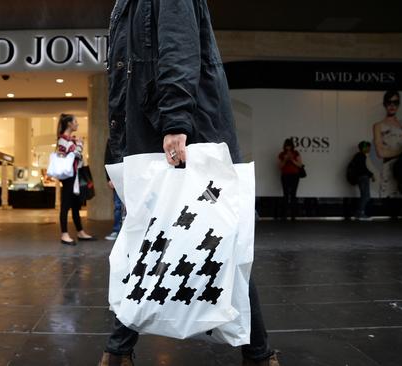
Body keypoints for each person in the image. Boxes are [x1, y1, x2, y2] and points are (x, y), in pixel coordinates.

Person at [100, 1, 279, 365]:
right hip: (155, 134)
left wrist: (176, 123)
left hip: (181, 133)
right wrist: (117, 151)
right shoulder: (125, 5)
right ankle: (258, 355)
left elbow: (179, 48)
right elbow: (123, 87)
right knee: (190, 240)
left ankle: (118, 351)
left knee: (214, 238)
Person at [56, 113, 95, 246]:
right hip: (68, 177)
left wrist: (77, 144)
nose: (77, 124)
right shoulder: (63, 140)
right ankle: (64, 234)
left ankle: (80, 231)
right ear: (69, 124)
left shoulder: (70, 140)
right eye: (76, 122)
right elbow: (74, 155)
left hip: (75, 175)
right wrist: (79, 145)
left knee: (75, 205)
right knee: (65, 206)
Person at [373, 91, 402, 199]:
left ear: (399, 104)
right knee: (388, 200)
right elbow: (380, 153)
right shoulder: (378, 126)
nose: (392, 105)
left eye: (395, 102)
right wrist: (401, 151)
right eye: (389, 102)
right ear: (384, 104)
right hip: (388, 170)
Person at [347, 141, 375, 220]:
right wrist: (371, 174)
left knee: (365, 196)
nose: (369, 149)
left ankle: (358, 213)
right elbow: (362, 168)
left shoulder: (358, 156)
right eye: (368, 147)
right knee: (365, 196)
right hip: (363, 178)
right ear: (364, 148)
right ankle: (360, 212)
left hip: (361, 178)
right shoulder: (361, 156)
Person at [278, 138, 304, 221]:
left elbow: (300, 165)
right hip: (285, 175)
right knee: (285, 195)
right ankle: (284, 214)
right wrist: (285, 159)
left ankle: (293, 215)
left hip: (294, 176)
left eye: (289, 146)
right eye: (286, 146)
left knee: (293, 195)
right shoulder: (282, 154)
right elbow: (280, 166)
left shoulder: (296, 153)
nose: (288, 148)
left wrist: (292, 160)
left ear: (292, 146)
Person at [104, 142, 123, 241]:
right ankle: (116, 230)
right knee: (118, 206)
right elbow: (107, 159)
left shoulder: (131, 133)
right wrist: (109, 178)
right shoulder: (112, 139)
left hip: (131, 172)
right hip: (117, 174)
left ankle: (126, 232)